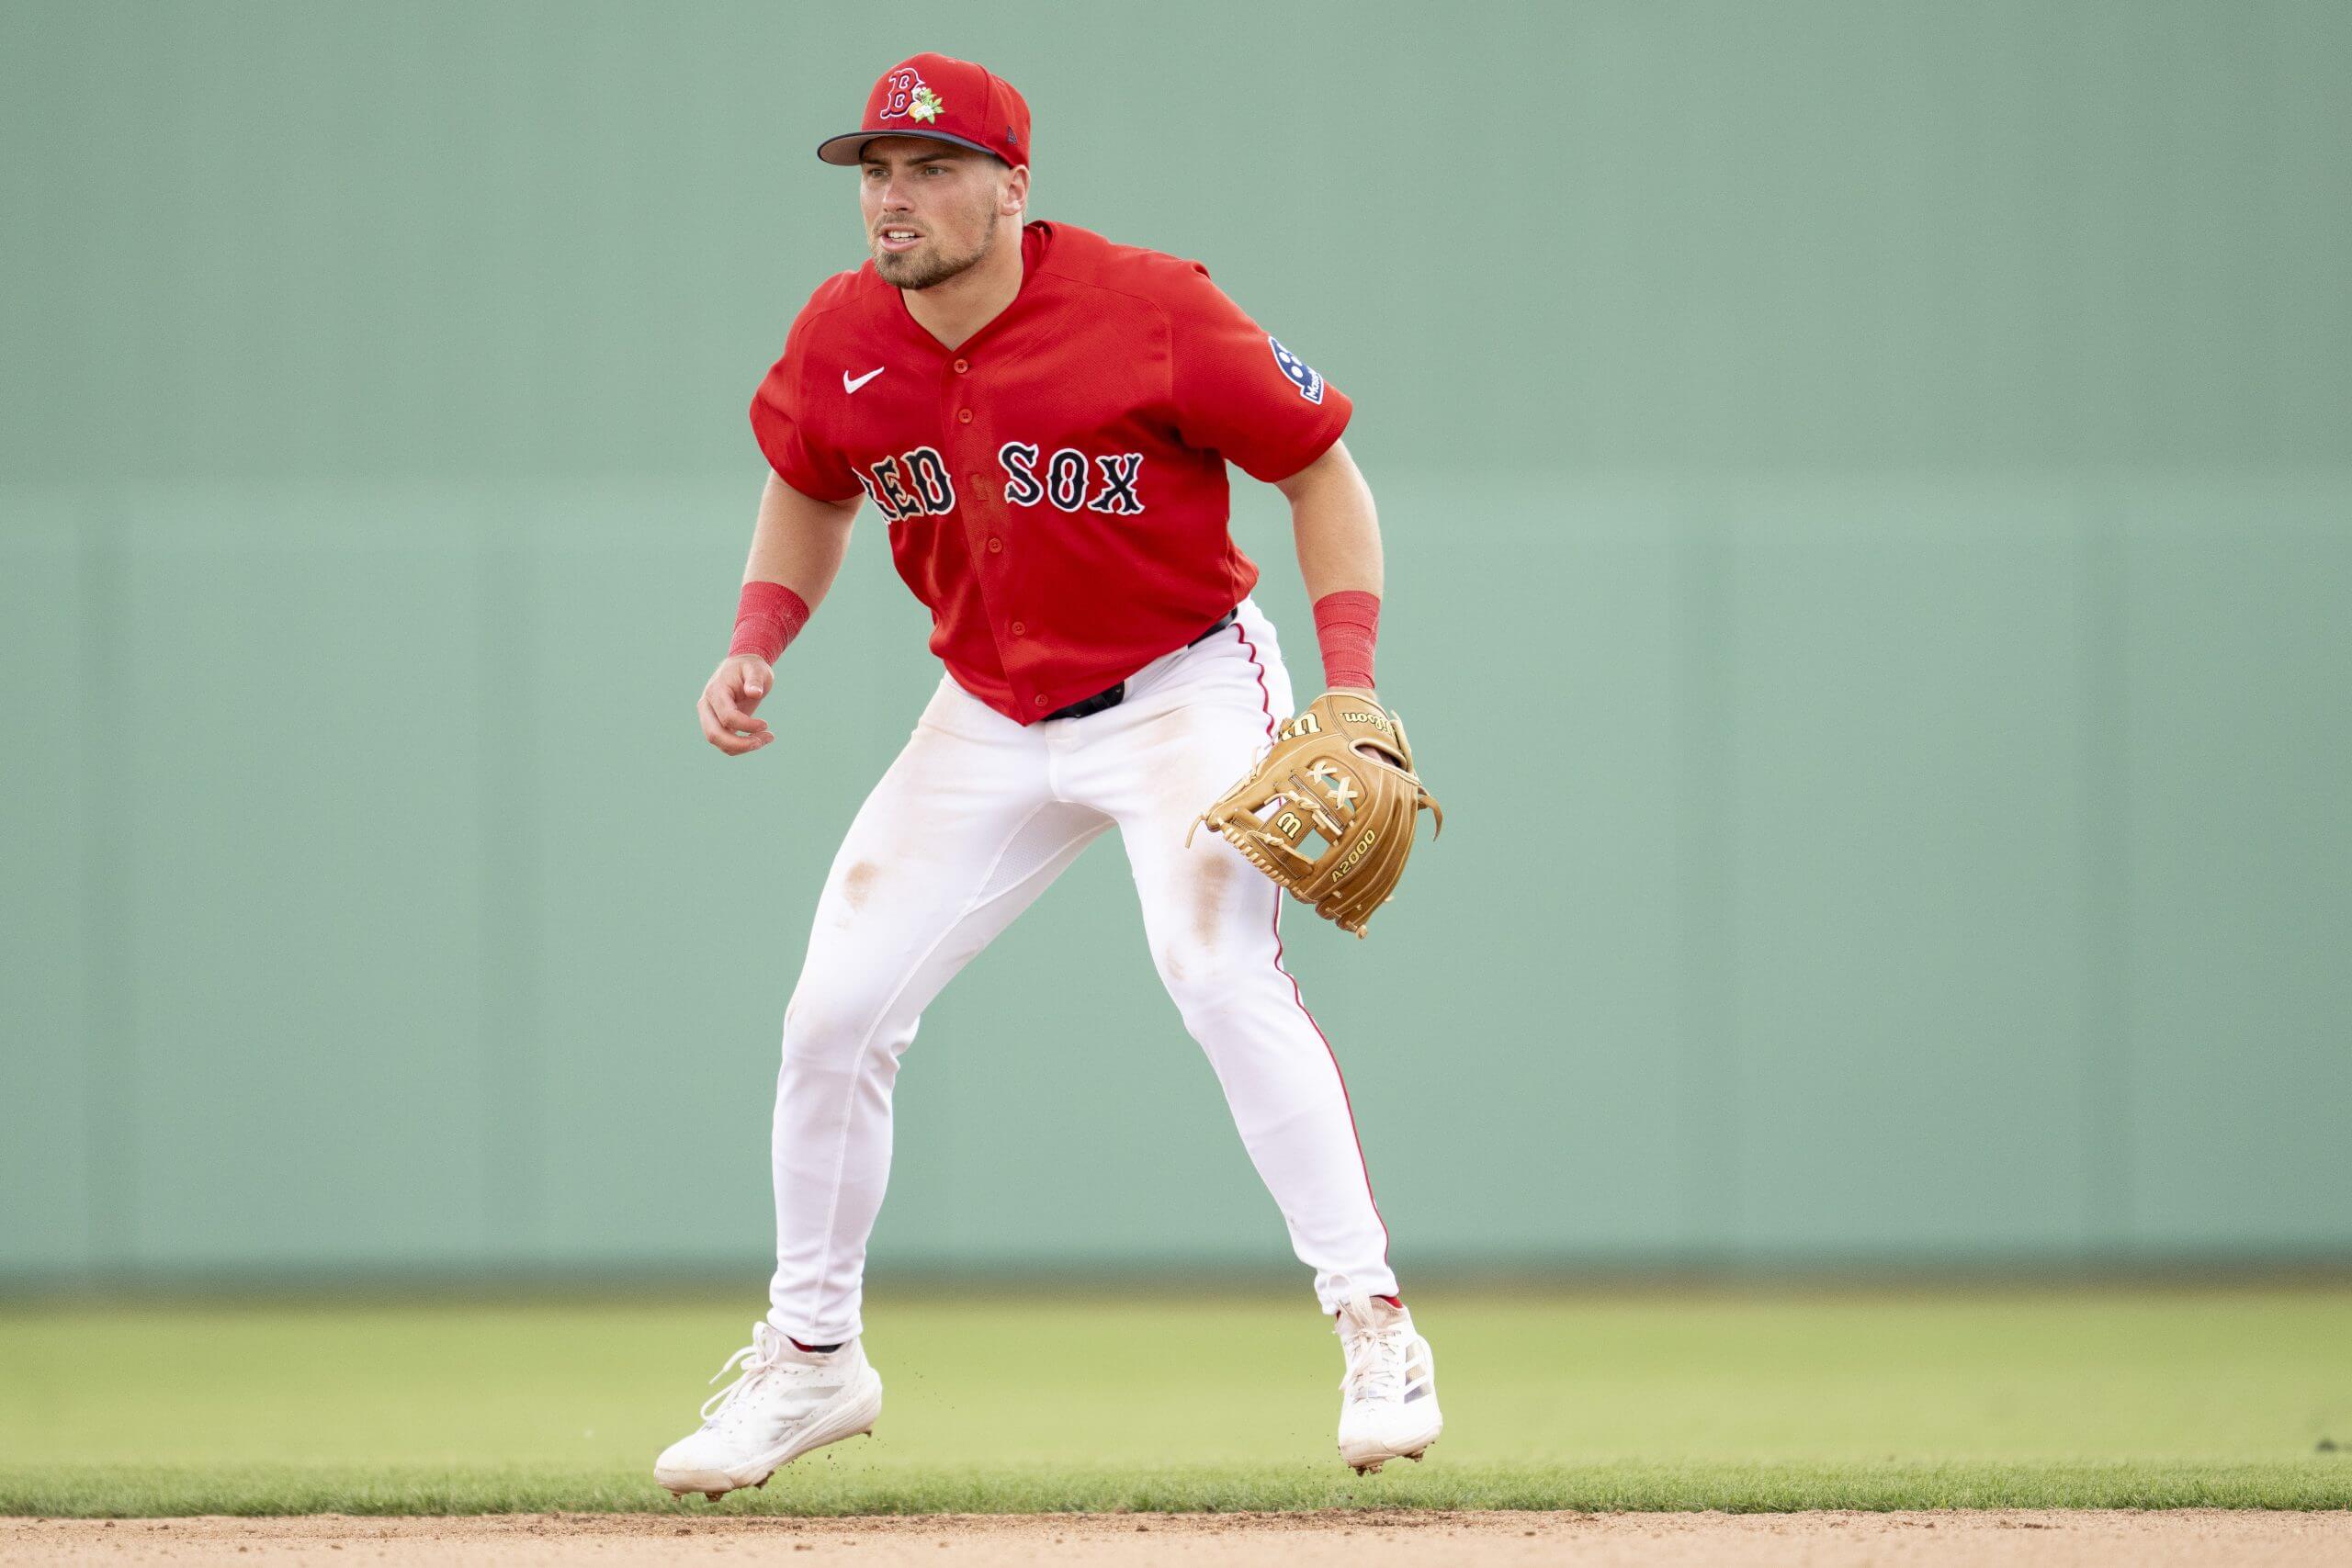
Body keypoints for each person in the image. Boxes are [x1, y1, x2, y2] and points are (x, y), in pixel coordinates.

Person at [655, 52, 1441, 1499]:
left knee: (1212, 971)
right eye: (877, 173)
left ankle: (1374, 1323)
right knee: (831, 1016)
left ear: (1012, 188)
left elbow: (1320, 465)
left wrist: (1349, 684)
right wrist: (759, 635)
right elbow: (810, 478)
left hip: (1184, 683)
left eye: (931, 169)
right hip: (988, 710)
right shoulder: (842, 333)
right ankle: (814, 1359)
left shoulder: (1154, 311)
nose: (895, 198)